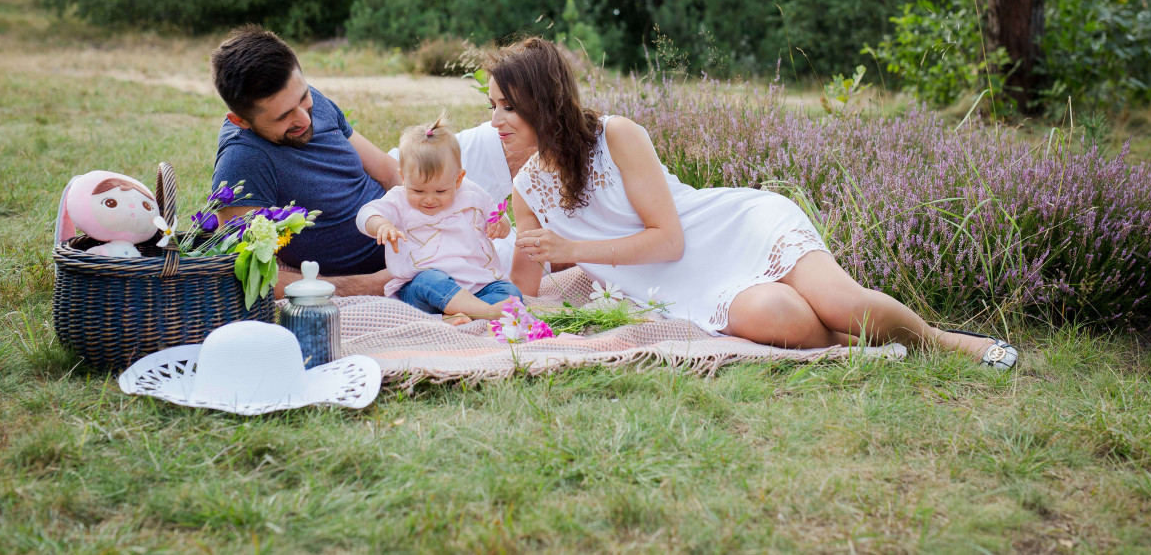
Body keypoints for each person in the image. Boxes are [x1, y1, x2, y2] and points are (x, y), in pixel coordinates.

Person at [491, 37, 1018, 369]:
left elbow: (668, 241)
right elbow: (524, 288)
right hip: (685, 288)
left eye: (509, 107)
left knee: (843, 304)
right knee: (781, 318)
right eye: (493, 105)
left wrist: (575, 246)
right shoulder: (528, 189)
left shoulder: (617, 136)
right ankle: (867, 344)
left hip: (733, 228)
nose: (495, 121)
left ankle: (942, 342)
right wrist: (477, 301)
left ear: (545, 103)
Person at [210, 24, 401, 297]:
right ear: (241, 121)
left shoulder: (308, 101)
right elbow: (251, 273)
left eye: (304, 98)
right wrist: (369, 285)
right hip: (373, 274)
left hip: (408, 234)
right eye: (283, 116)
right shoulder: (242, 161)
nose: (304, 118)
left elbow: (388, 172)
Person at [356, 116, 520, 324]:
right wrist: (381, 225)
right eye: (418, 190)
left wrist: (501, 224)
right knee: (430, 282)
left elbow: (496, 212)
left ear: (458, 178)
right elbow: (366, 214)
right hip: (424, 288)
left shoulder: (471, 193)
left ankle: (455, 315)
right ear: (404, 178)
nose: (429, 199)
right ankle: (484, 312)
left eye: (441, 191)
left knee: (511, 293)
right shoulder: (399, 200)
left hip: (477, 283)